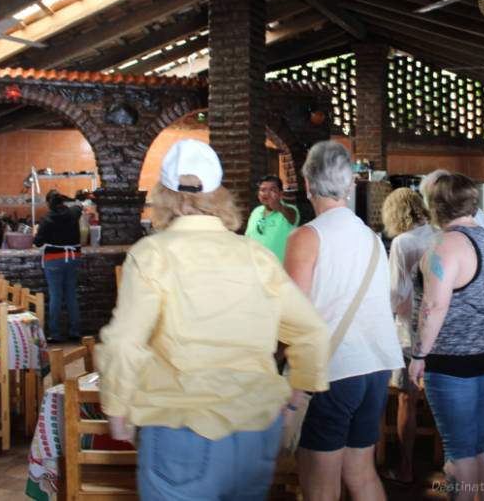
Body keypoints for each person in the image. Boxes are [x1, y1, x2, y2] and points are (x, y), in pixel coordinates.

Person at [96, 138, 330, 501]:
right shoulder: (255, 255)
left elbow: (125, 342)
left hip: (182, 430)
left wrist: (116, 407)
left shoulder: (152, 254)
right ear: (219, 195)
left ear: (165, 194)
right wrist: (294, 399)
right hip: (256, 430)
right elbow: (311, 331)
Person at [284, 140, 402, 501]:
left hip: (331, 372)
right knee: (361, 474)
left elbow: (293, 318)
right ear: (351, 185)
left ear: (306, 184)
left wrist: (291, 391)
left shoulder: (306, 237)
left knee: (320, 489)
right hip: (377, 367)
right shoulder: (371, 237)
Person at [408, 173, 484, 501]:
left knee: (458, 445)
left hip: (454, 357)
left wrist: (419, 354)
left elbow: (435, 305)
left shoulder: (444, 244)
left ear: (436, 206)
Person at [380, 187, 438, 485]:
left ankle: (404, 468)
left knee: (406, 398)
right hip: (437, 329)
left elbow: (395, 293)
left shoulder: (402, 243)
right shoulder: (437, 234)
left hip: (408, 329)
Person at [33, 189, 83, 343]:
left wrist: (36, 234)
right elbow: (79, 207)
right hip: (73, 257)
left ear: (49, 204)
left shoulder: (46, 219)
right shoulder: (73, 213)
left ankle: (54, 335)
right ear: (63, 201)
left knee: (56, 297)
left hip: (54, 259)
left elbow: (38, 243)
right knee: (71, 296)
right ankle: (75, 332)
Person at [245, 174, 300, 263]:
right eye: (263, 190)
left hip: (279, 272)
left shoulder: (290, 210)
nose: (267, 194)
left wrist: (279, 207)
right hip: (256, 269)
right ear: (258, 194)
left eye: (272, 190)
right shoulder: (256, 212)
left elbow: (292, 217)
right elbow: (248, 238)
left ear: (281, 193)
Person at [419, 168, 484, 232]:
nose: (430, 202)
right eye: (428, 197)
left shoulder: (470, 214)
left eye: (433, 196)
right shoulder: (434, 217)